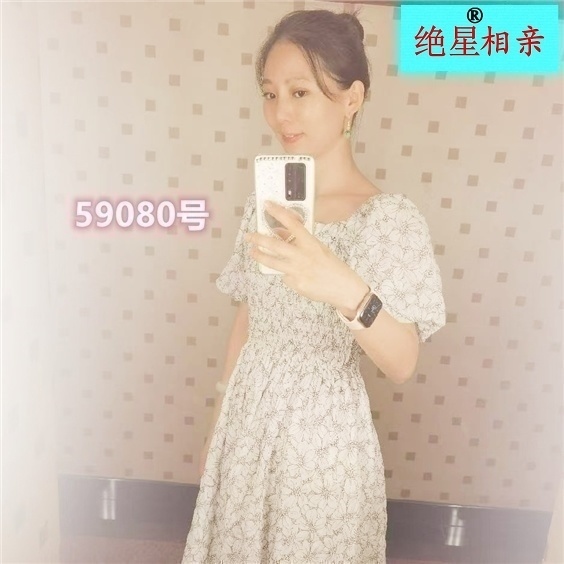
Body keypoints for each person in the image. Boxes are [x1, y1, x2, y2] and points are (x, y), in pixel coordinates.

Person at [182, 8, 445, 563]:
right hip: (247, 417)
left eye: (300, 92)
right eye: (270, 93)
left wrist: (343, 286)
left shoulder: (387, 219)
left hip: (321, 436)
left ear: (352, 98)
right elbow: (249, 316)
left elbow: (402, 361)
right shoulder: (266, 205)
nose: (281, 113)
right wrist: (218, 419)